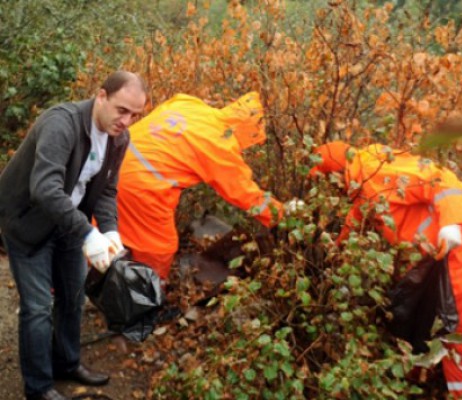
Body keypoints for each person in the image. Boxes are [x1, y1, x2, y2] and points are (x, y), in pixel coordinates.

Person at [309, 141, 462, 400]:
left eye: (326, 181)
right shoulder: (364, 188)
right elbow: (353, 225)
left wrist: (451, 222)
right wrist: (332, 255)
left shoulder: (373, 170)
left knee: (456, 333)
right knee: (447, 332)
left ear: (336, 173)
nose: (330, 190)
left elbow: (439, 178)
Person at [0, 71, 147, 400]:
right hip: (28, 223)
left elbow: (108, 190)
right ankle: (38, 388)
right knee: (38, 307)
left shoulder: (119, 138)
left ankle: (66, 363)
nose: (126, 121)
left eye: (134, 115)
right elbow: (44, 188)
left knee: (72, 296)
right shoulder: (61, 124)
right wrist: (88, 233)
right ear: (101, 96)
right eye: (122, 110)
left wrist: (109, 230)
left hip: (69, 224)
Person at [116, 92, 291, 281]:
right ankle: (146, 299)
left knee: (106, 230)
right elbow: (246, 195)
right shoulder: (220, 145)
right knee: (159, 248)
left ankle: (97, 280)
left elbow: (175, 105)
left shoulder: (190, 103)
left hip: (112, 161)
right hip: (141, 186)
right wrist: (283, 215)